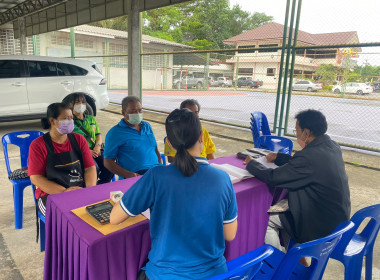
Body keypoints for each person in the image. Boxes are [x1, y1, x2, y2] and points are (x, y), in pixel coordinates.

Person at [110, 108, 238, 280]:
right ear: (201, 137)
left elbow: (114, 219)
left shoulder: (156, 176)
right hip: (214, 275)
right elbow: (230, 234)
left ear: (169, 143)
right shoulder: (222, 179)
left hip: (165, 275)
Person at [244, 109, 351, 250]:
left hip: (321, 223)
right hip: (338, 218)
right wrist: (279, 157)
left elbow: (274, 177)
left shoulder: (309, 156)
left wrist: (252, 164)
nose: (297, 135)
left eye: (297, 131)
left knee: (266, 221)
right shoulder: (332, 146)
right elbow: (303, 166)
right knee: (286, 214)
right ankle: (297, 257)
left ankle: (280, 262)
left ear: (306, 133)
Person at [28, 103, 97, 216]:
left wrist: (89, 190)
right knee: (65, 217)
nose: (70, 121)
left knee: (97, 211)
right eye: (66, 118)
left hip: (80, 189)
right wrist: (64, 192)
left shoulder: (79, 139)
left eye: (71, 118)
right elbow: (36, 178)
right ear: (52, 121)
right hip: (51, 194)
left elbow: (89, 167)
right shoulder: (38, 145)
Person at [104, 96, 162, 179]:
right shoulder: (115, 133)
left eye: (140, 110)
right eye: (133, 111)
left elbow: (155, 149)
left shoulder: (147, 126)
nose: (138, 114)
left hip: (155, 172)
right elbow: (108, 162)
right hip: (136, 175)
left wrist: (160, 166)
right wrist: (128, 174)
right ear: (123, 113)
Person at [66, 93, 114, 185]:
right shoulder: (69, 122)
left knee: (109, 166)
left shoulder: (91, 119)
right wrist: (87, 151)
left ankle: (101, 186)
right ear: (71, 105)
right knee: (94, 168)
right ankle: (91, 188)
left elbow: (98, 135)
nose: (81, 104)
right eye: (77, 102)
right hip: (81, 153)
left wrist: (97, 147)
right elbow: (70, 142)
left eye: (83, 102)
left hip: (96, 151)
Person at [164, 99, 216, 163]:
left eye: (196, 113)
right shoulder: (174, 134)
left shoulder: (203, 131)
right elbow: (171, 160)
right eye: (190, 113)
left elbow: (210, 154)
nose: (194, 117)